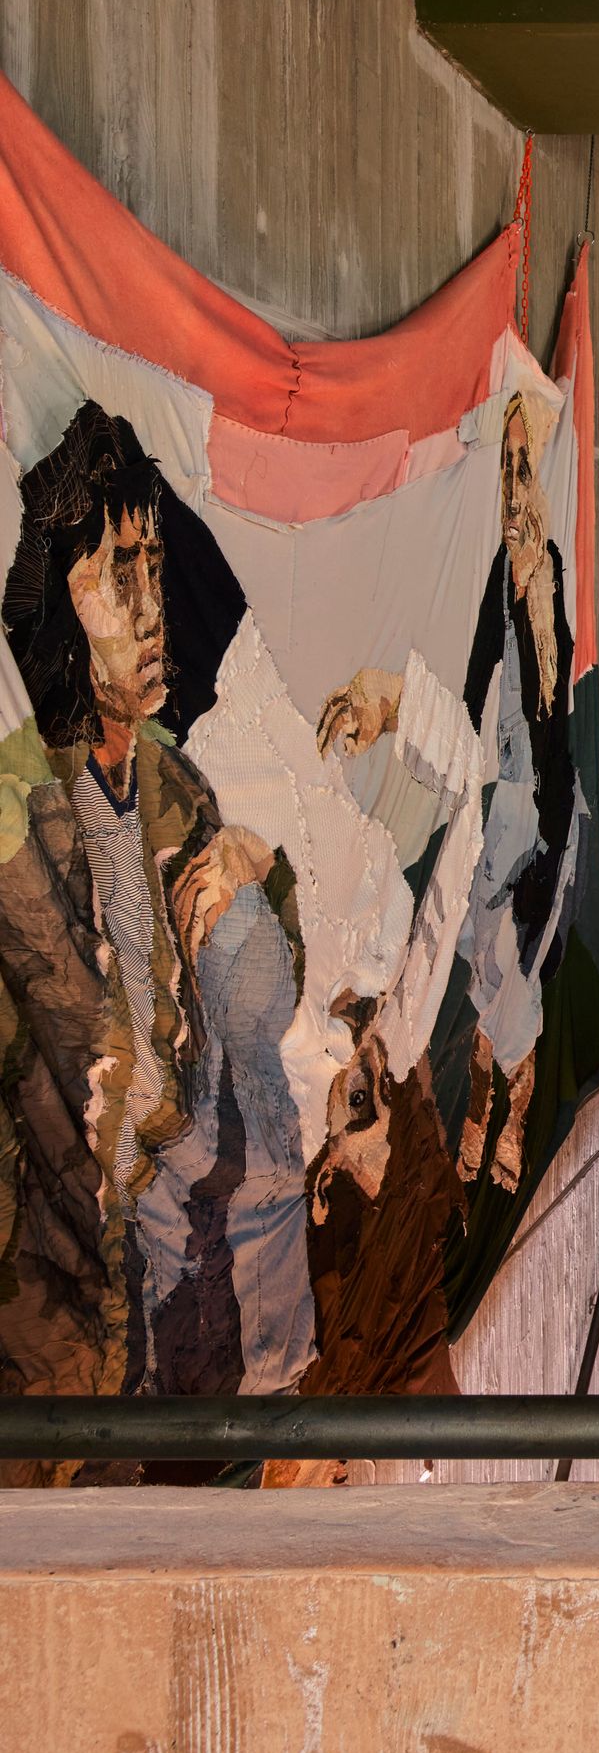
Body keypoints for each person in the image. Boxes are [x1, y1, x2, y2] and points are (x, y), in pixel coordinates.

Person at [0, 401, 308, 1409]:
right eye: (113, 573)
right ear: (57, 599)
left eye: (152, 566)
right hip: (64, 1322)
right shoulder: (16, 802)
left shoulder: (177, 787)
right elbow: (101, 1071)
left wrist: (260, 869)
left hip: (181, 1302)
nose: (148, 606)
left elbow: (267, 1003)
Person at [319, 389, 580, 1196]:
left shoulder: (543, 577)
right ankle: (489, 1106)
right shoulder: (500, 575)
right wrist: (423, 719)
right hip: (493, 792)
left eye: (520, 467)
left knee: (506, 974)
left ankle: (509, 1109)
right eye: (504, 469)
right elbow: (473, 679)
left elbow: (550, 687)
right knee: (477, 959)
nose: (511, 486)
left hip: (530, 809)